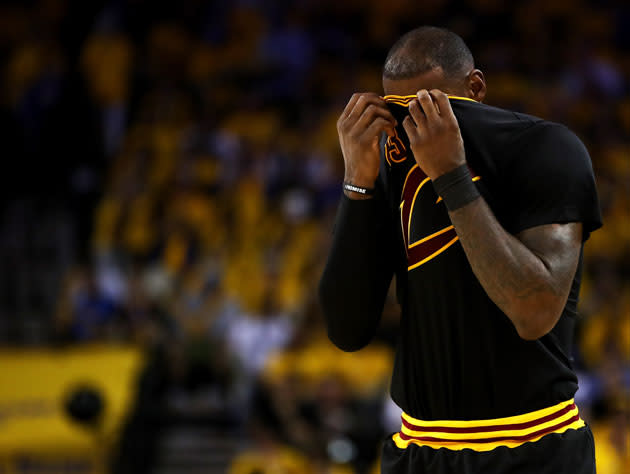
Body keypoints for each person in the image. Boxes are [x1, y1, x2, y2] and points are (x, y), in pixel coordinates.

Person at [318, 26, 602, 474]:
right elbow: (346, 330)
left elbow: (534, 310)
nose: (419, 127)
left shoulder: (547, 147)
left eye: (434, 107)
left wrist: (451, 176)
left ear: (476, 88)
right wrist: (357, 180)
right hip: (418, 448)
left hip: (532, 447)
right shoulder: (391, 165)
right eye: (402, 112)